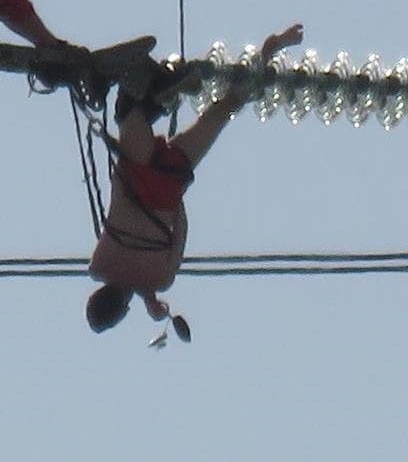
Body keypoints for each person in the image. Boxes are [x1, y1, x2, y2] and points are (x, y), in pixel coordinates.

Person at [86, 24, 305, 336]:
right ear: (97, 295)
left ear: (122, 312)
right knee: (129, 110)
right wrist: (144, 295)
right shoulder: (99, 266)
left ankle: (268, 51)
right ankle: (155, 88)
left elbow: (180, 232)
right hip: (136, 171)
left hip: (168, 182)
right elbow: (122, 272)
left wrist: (175, 200)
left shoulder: (159, 279)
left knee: (223, 110)